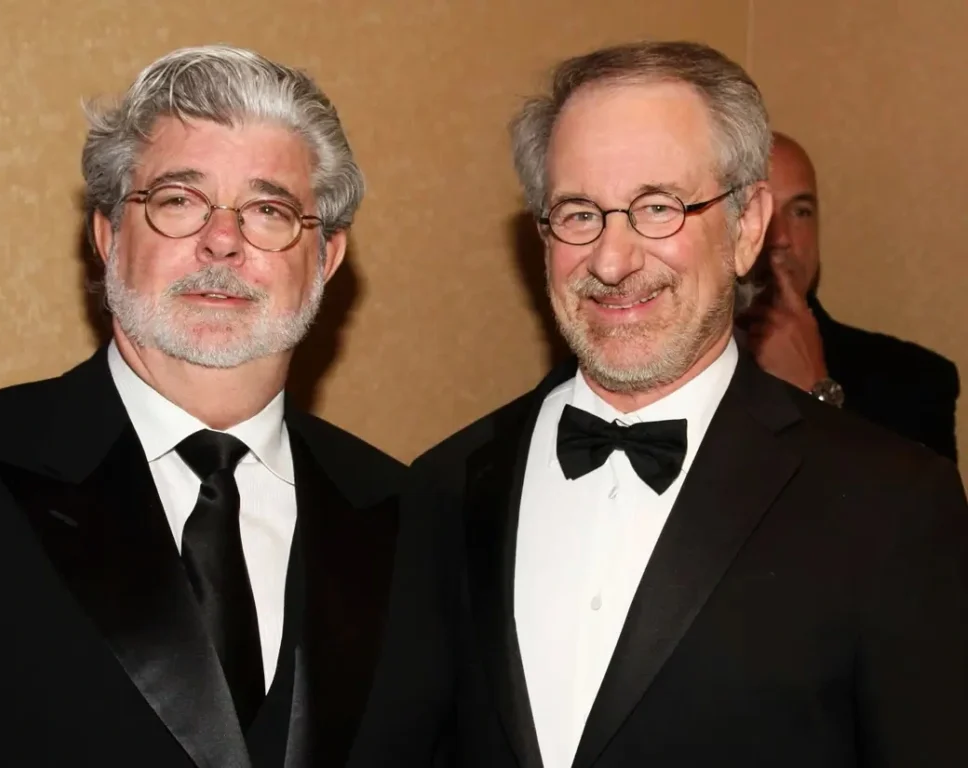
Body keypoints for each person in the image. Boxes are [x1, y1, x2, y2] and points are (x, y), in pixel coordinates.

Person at [357, 42, 968, 768]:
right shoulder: (447, 485)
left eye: (658, 207)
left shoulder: (892, 504)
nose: (612, 261)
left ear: (746, 229)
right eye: (579, 213)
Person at [0, 45, 403, 768]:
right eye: (179, 201)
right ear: (107, 235)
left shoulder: (415, 517)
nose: (222, 240)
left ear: (327, 257)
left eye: (268, 208)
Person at [739, 132, 959, 460]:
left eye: (800, 212)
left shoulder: (914, 381)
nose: (782, 238)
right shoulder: (665, 366)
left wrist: (817, 393)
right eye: (759, 211)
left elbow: (912, 509)